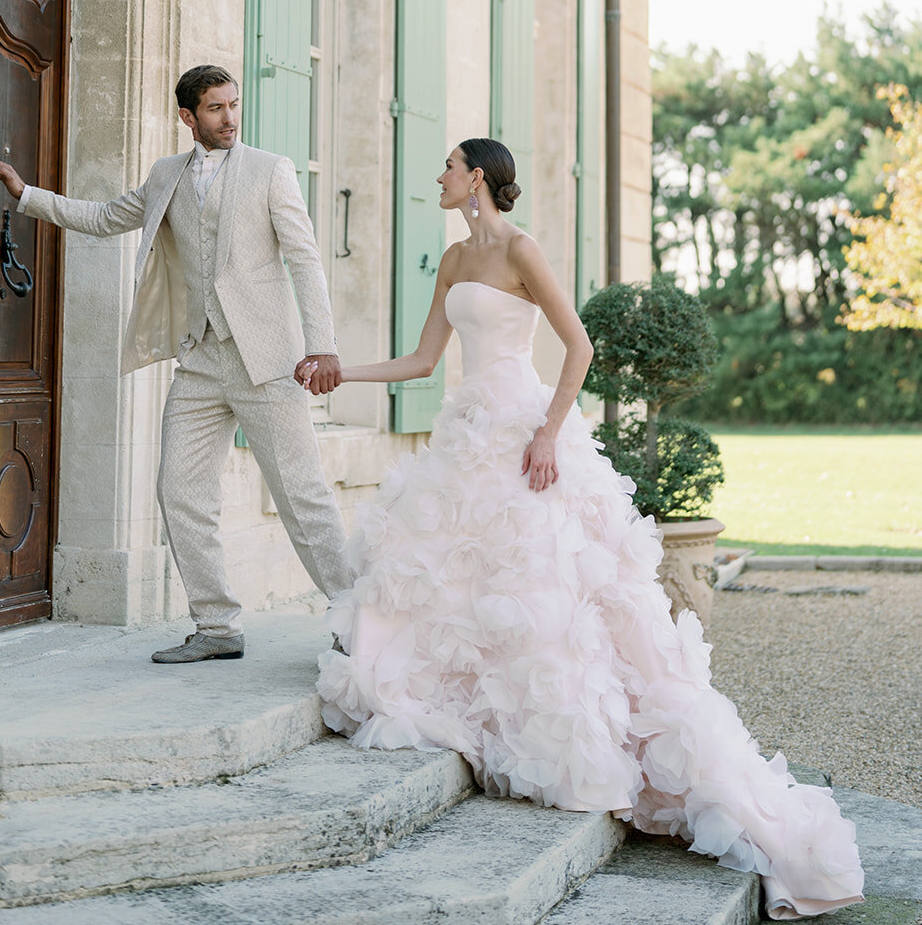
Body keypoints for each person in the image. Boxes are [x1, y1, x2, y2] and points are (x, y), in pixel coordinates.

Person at [311, 138, 864, 921]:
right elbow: (422, 360)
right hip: (469, 434)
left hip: (526, 434)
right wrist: (340, 370)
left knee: (546, 591)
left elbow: (579, 344)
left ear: (478, 178)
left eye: (447, 166)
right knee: (457, 580)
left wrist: (546, 432)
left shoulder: (520, 250)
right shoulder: (453, 260)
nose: (436, 177)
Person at [0, 65, 351, 663]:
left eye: (234, 105)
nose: (229, 119)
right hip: (199, 358)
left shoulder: (270, 171)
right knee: (177, 489)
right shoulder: (165, 176)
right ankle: (217, 626)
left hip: (267, 360)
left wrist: (323, 345)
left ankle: (359, 621)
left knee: (302, 496)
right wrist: (27, 196)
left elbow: (305, 262)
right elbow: (103, 219)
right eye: (215, 109)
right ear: (187, 117)